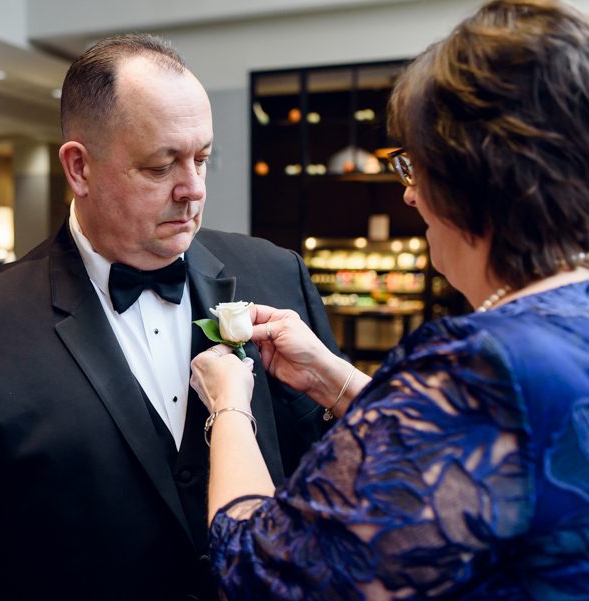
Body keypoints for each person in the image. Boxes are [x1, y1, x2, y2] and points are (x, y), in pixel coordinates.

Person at [0, 34, 340, 600]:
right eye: (161, 166)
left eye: (201, 159)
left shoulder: (277, 275)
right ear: (79, 168)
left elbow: (341, 477)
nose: (193, 190)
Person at [190, 1, 589, 598]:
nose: (408, 196)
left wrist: (228, 406)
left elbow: (257, 573)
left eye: (414, 167)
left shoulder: (478, 366)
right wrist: (334, 379)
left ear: (469, 178)